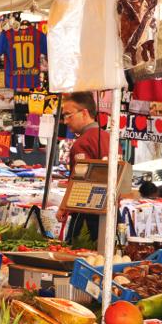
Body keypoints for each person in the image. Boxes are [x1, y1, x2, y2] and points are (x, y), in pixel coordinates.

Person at [60, 92, 107, 244]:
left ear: (84, 113)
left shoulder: (83, 143)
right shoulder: (110, 139)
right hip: (109, 215)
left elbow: (80, 182)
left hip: (86, 216)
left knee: (77, 257)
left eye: (68, 115)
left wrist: (63, 207)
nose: (65, 121)